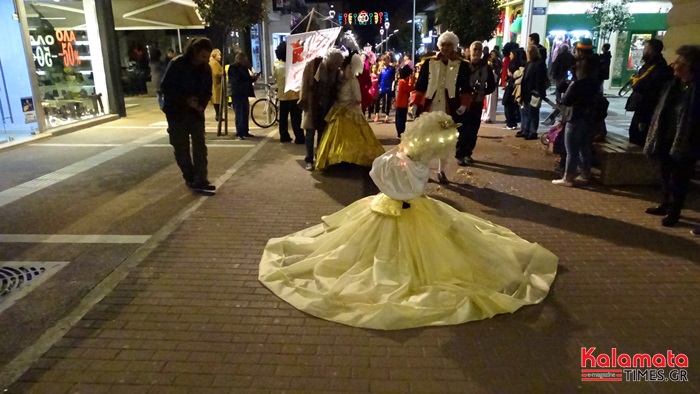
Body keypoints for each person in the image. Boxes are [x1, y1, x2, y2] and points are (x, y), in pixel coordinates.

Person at [258, 111, 559, 330]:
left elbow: (393, 174)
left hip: (404, 208)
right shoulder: (405, 159)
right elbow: (391, 174)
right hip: (401, 210)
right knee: (387, 261)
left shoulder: (410, 157)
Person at [643, 45, 700, 228]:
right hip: (665, 136)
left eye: (678, 62)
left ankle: (674, 212)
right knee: (666, 174)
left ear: (689, 66)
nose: (673, 64)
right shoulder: (673, 85)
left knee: (679, 178)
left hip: (686, 141)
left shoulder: (696, 90)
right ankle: (665, 204)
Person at [411, 31, 472, 184]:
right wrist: (415, 104)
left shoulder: (461, 65)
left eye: (448, 45)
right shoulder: (429, 63)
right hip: (430, 107)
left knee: (445, 141)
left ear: (454, 46)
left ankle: (442, 171)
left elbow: (466, 88)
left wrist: (464, 104)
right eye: (443, 44)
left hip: (449, 108)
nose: (445, 48)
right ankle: (423, 171)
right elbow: (421, 85)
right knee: (425, 140)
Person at [160, 37, 215, 192]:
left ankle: (201, 179)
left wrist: (201, 105)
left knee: (200, 146)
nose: (205, 60)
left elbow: (208, 90)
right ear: (195, 52)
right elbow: (166, 88)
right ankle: (190, 177)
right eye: (203, 56)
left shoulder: (205, 69)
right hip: (176, 113)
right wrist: (186, 100)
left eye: (207, 57)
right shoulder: (177, 64)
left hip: (195, 112)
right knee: (181, 148)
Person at [314, 54, 385, 171]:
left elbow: (358, 98)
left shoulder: (352, 81)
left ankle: (348, 158)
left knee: (350, 137)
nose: (344, 70)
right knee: (343, 137)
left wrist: (350, 102)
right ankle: (340, 158)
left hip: (348, 111)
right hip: (340, 110)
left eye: (346, 68)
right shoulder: (343, 80)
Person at [552, 56, 600, 187]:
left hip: (575, 118)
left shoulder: (577, 84)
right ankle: (585, 174)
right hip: (588, 119)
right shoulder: (594, 83)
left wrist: (570, 82)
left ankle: (568, 177)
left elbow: (566, 99)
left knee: (571, 150)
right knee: (584, 147)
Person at [299, 49, 344, 171]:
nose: (336, 67)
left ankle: (319, 156)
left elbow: (336, 87)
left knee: (322, 132)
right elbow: (304, 83)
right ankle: (309, 159)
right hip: (312, 102)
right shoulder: (313, 64)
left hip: (327, 104)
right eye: (335, 64)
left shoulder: (335, 71)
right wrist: (303, 100)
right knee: (310, 132)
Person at [627, 39, 674, 146]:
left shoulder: (659, 68)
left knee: (640, 136)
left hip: (648, 106)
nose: (643, 51)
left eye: (645, 49)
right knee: (635, 134)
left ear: (652, 51)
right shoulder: (649, 65)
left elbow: (648, 85)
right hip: (641, 106)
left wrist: (636, 83)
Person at [460, 41, 495, 165]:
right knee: (462, 128)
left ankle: (468, 153)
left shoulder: (487, 67)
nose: (477, 51)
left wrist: (483, 91)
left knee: (473, 129)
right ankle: (460, 154)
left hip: (477, 102)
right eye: (475, 49)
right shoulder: (463, 66)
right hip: (463, 103)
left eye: (480, 49)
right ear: (470, 50)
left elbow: (492, 85)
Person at [274, 42, 304, 144]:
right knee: (296, 119)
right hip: (295, 95)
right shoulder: (295, 65)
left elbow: (275, 77)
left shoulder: (277, 66)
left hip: (282, 96)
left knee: (283, 118)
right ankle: (299, 137)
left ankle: (284, 135)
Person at [517, 45, 548, 140]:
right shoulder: (529, 63)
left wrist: (539, 91)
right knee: (525, 111)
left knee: (533, 112)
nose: (528, 54)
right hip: (527, 91)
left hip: (534, 91)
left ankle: (532, 131)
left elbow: (540, 79)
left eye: (529, 52)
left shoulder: (539, 63)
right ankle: (526, 130)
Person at [228, 53, 259, 140]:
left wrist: (254, 78)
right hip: (237, 93)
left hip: (244, 93)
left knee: (245, 112)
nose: (246, 61)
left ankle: (245, 131)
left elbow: (247, 79)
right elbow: (238, 79)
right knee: (239, 113)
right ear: (240, 59)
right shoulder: (233, 67)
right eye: (244, 59)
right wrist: (249, 78)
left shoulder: (244, 67)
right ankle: (239, 132)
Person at [481, 49, 501, 124]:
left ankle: (490, 116)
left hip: (493, 88)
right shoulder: (489, 70)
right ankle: (487, 115)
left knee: (491, 102)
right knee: (487, 102)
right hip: (489, 87)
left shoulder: (494, 71)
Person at [395, 65, 414, 138]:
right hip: (402, 104)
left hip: (401, 103)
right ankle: (400, 132)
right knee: (401, 120)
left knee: (400, 119)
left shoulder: (402, 82)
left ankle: (400, 132)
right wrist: (412, 80)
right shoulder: (403, 82)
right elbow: (410, 89)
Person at [376, 54, 396, 123]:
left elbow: (394, 78)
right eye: (383, 60)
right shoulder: (381, 68)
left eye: (385, 60)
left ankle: (387, 116)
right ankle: (377, 114)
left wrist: (393, 85)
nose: (384, 61)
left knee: (388, 101)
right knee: (377, 100)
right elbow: (379, 78)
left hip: (389, 86)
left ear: (388, 60)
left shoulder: (392, 68)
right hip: (381, 86)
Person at [209, 49, 223, 121]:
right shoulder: (214, 63)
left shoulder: (212, 62)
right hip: (216, 84)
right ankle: (218, 115)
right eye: (218, 55)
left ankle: (218, 115)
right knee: (217, 101)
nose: (220, 57)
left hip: (215, 84)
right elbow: (216, 73)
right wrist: (223, 72)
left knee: (217, 101)